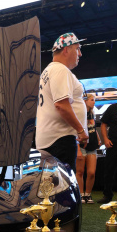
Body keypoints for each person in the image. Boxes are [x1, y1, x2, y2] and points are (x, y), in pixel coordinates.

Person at [36, 33, 88, 173]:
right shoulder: (60, 69)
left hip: (52, 139)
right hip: (60, 139)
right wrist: (81, 131)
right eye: (77, 48)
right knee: (63, 183)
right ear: (66, 50)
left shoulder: (49, 70)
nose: (80, 53)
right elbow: (61, 105)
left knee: (51, 183)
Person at [76, 93, 99, 202]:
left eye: (94, 100)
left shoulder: (92, 113)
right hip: (81, 146)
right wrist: (78, 149)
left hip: (92, 146)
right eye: (92, 100)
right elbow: (74, 131)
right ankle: (81, 194)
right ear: (85, 101)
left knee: (91, 172)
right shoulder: (80, 114)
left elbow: (92, 128)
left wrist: (98, 138)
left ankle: (88, 194)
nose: (94, 102)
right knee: (80, 171)